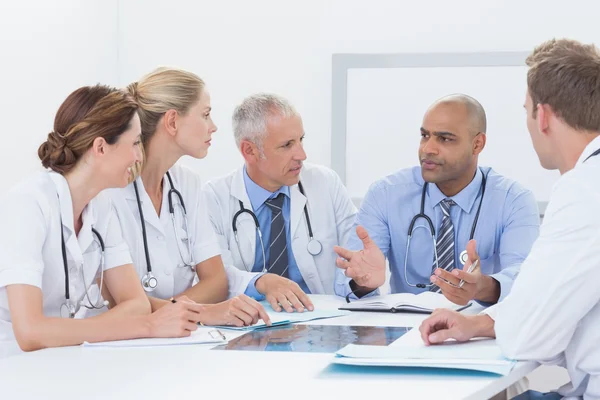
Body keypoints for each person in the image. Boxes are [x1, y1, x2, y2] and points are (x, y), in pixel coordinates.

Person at [419, 38, 600, 400]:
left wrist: (496, 322)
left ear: (543, 116)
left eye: (526, 109)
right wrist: (479, 323)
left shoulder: (585, 190)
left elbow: (530, 337)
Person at [0, 85, 206, 358]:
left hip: (65, 355)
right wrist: (146, 327)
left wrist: (72, 330)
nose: (138, 156)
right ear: (100, 147)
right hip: (13, 362)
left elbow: (136, 304)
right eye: (134, 143)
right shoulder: (28, 203)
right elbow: (30, 333)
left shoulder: (101, 205)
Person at [333, 94, 540, 305]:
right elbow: (345, 282)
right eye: (425, 136)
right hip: (405, 328)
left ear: (477, 144)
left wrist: (483, 287)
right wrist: (363, 282)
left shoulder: (513, 200)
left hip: (479, 331)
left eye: (445, 138)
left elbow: (527, 281)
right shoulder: (385, 194)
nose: (427, 149)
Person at [105, 67, 270, 327]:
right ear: (172, 122)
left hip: (178, 337)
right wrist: (201, 313)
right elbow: (117, 300)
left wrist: (170, 314)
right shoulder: (109, 191)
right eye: (205, 115)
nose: (213, 127)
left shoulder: (187, 184)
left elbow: (216, 283)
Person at [203, 93, 357, 312]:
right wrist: (261, 282)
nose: (302, 155)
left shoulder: (325, 183)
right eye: (287, 145)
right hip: (250, 322)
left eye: (301, 140)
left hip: (320, 319)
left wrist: (360, 279)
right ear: (250, 151)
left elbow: (354, 255)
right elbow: (214, 275)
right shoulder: (213, 198)